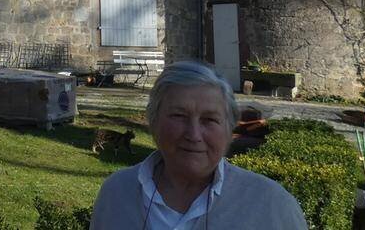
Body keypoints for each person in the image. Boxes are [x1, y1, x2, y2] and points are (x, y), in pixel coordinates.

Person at [90, 61, 306, 229]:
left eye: (209, 120)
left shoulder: (272, 206)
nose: (193, 135)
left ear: (229, 128)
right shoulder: (117, 193)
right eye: (178, 116)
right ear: (153, 122)